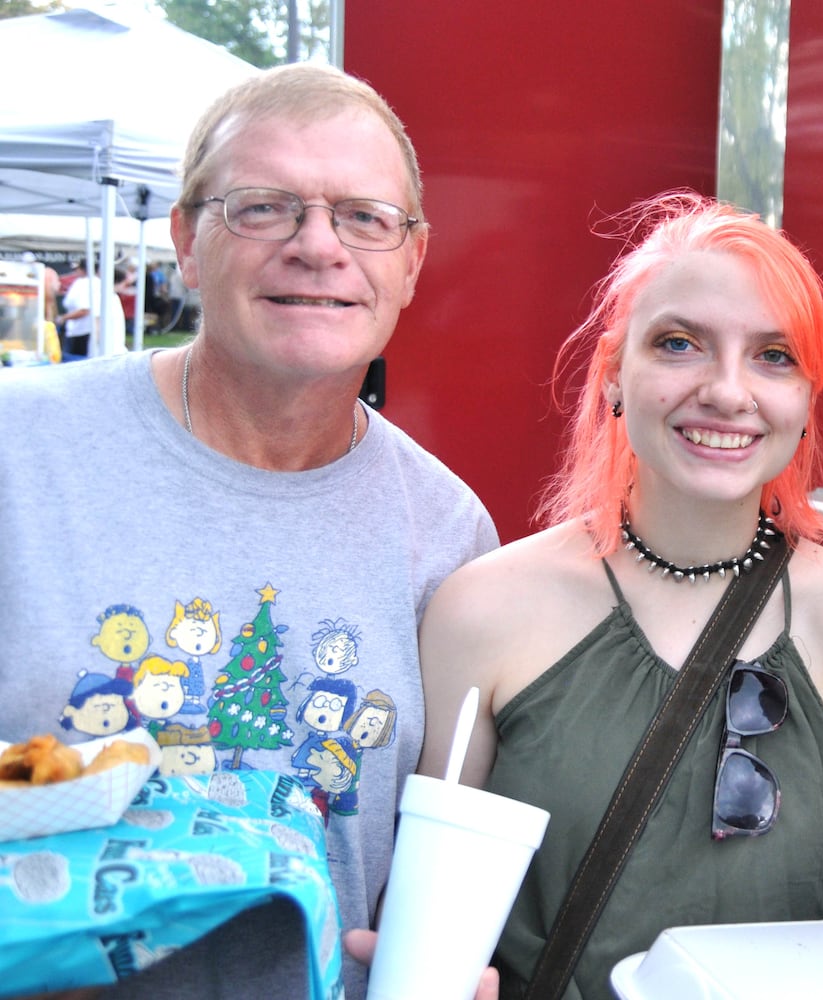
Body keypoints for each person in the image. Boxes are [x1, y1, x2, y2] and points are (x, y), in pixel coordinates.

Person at [0, 63, 498, 999]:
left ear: (412, 263)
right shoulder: (18, 452)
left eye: (364, 216)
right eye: (265, 208)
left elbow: (437, 861)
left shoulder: (450, 533)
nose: (319, 247)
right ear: (187, 241)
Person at [412, 190, 823, 998]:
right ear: (614, 374)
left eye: (773, 356)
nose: (728, 392)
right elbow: (434, 914)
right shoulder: (482, 610)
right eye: (678, 344)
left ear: (807, 399)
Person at [57, 257, 97, 357]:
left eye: (77, 269)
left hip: (81, 330)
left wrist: (63, 318)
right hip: (84, 329)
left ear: (82, 269)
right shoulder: (94, 282)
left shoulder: (84, 284)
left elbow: (84, 310)